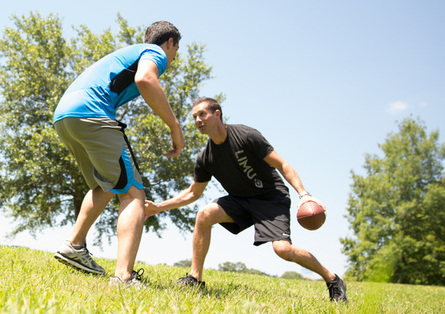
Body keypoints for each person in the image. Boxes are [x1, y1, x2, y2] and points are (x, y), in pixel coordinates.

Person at [145, 97, 348, 302]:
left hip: (271, 199)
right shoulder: (206, 157)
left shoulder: (246, 135)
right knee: (205, 214)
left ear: (217, 114)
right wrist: (158, 207)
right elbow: (192, 193)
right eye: (195, 117)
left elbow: (283, 165)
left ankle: (332, 279)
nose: (198, 120)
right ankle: (195, 278)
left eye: (202, 114)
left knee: (283, 249)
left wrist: (304, 194)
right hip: (240, 200)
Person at [52, 21, 185, 287]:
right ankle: (124, 276)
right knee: (133, 192)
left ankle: (75, 247)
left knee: (107, 184)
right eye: (176, 51)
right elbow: (145, 79)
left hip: (64, 116)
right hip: (92, 112)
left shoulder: (129, 52)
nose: (173, 57)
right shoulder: (154, 52)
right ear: (169, 42)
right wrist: (174, 126)